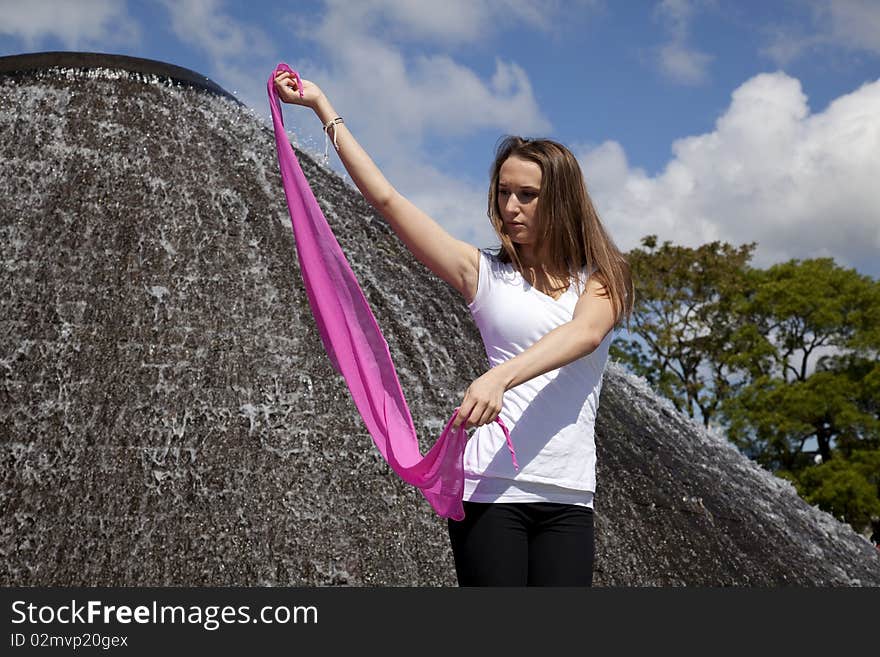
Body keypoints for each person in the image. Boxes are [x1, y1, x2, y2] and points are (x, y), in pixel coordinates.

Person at [274, 70, 633, 587]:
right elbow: (388, 201)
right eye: (504, 192)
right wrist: (322, 108)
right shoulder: (481, 272)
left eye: (527, 195)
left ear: (561, 199)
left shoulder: (602, 279)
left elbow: (584, 336)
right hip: (489, 490)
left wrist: (499, 378)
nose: (511, 207)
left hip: (567, 495)